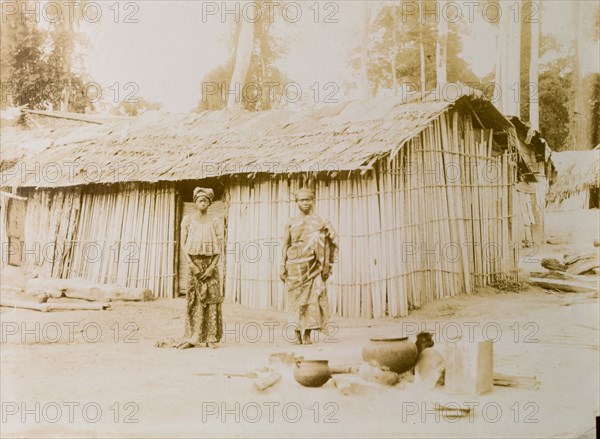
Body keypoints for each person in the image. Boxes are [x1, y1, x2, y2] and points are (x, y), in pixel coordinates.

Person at [280, 188, 337, 345]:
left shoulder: (321, 222)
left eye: (308, 199)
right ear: (296, 202)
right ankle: (297, 333)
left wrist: (327, 265)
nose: (305, 203)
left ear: (313, 201)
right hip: (294, 267)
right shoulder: (290, 222)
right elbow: (285, 244)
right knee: (295, 301)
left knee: (312, 300)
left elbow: (331, 243)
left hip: (314, 267)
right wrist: (281, 265)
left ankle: (308, 334)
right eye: (301, 200)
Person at [175, 187, 224, 349]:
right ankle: (193, 337)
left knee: (211, 300)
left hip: (210, 265)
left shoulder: (215, 221)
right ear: (195, 202)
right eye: (200, 200)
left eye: (206, 200)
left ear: (210, 203)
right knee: (194, 299)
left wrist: (211, 267)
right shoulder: (188, 220)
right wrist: (191, 264)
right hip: (194, 265)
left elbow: (220, 246)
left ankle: (210, 337)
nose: (203, 202)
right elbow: (183, 245)